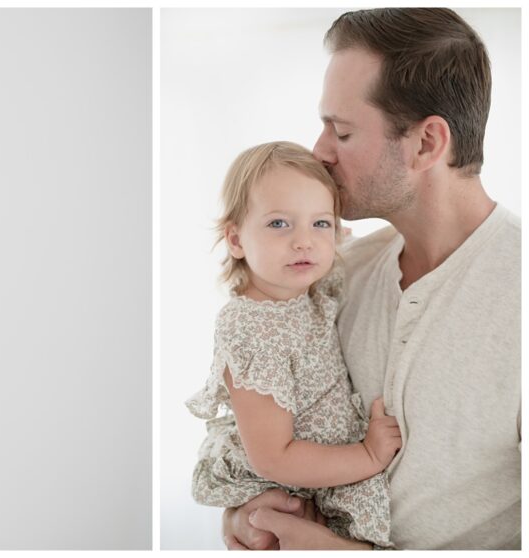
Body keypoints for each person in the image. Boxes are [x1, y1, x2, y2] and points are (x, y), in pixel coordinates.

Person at [223, 8, 520, 550]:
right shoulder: (332, 277)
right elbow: (272, 434)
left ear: (427, 144)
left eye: (342, 130)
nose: (318, 151)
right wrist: (246, 515)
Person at [187, 141, 399, 549]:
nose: (304, 241)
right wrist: (368, 456)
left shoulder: (307, 291)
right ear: (235, 240)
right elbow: (274, 455)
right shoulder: (252, 328)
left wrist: (327, 232)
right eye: (279, 224)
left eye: (320, 224)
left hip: (321, 475)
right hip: (294, 483)